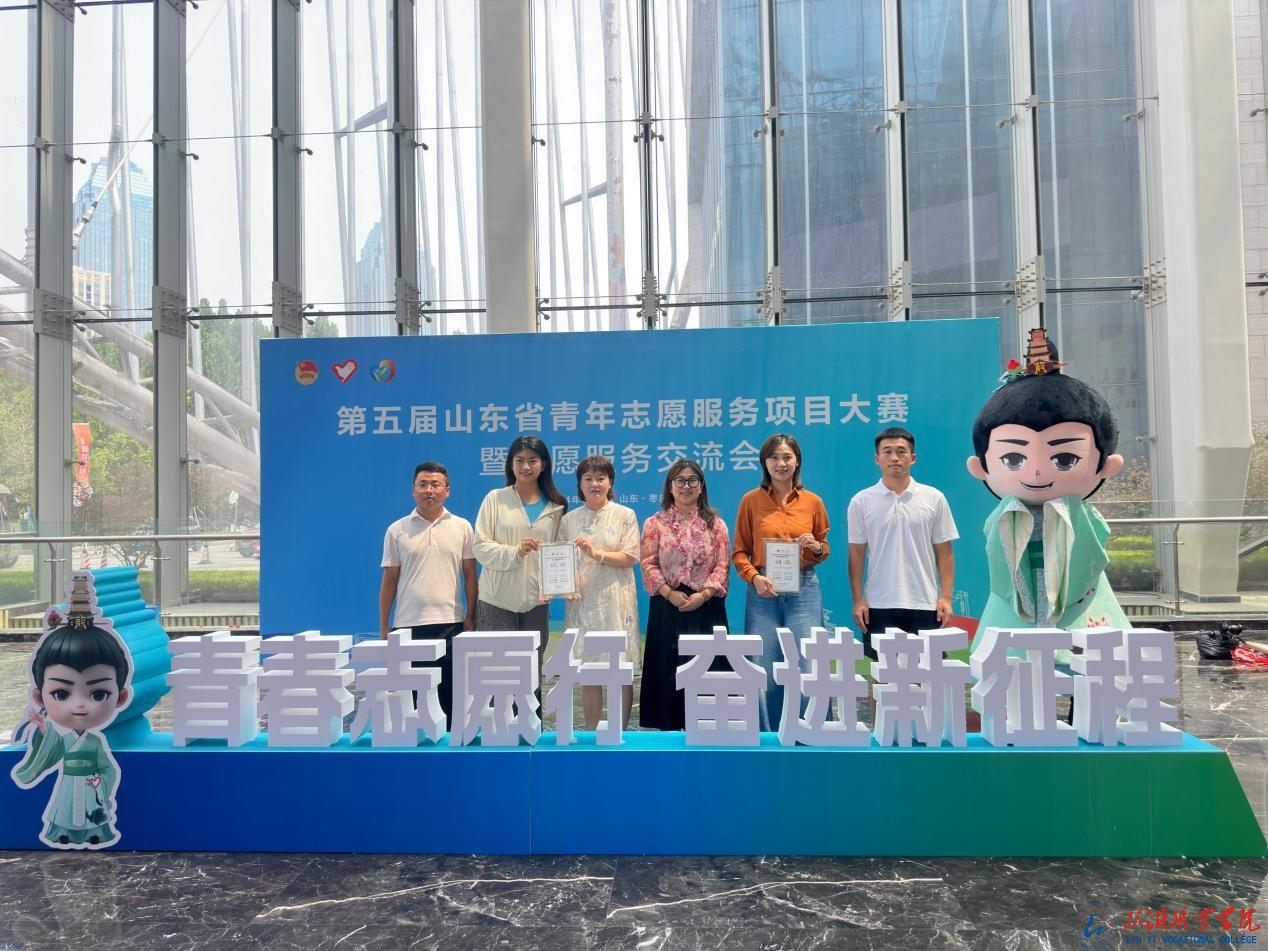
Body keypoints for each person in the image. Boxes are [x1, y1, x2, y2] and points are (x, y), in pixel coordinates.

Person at [966, 328, 1129, 646]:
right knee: (1013, 657)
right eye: (1014, 458)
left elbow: (1092, 552)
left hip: (1074, 591)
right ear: (980, 466)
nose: (1037, 470)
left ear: (1107, 463)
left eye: (1065, 459)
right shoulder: (1005, 514)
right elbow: (997, 555)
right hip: (1019, 593)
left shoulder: (1083, 515)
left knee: (1086, 657)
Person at [12, 573, 132, 849]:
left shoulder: (96, 742)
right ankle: (63, 833)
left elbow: (108, 769)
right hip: (68, 782)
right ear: (39, 696)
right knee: (64, 809)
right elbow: (50, 749)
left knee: (92, 813)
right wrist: (42, 728)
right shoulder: (63, 738)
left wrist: (101, 785)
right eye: (62, 694)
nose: (79, 705)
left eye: (98, 694)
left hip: (91, 784)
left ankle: (93, 833)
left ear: (121, 697)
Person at [732, 433, 830, 732]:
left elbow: (823, 549)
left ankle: (810, 732)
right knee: (763, 664)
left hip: (804, 588)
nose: (781, 463)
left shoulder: (813, 502)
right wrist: (755, 577)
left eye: (787, 457)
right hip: (763, 591)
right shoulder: (751, 501)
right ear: (764, 462)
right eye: (774, 457)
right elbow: (739, 552)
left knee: (808, 662)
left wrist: (814, 547)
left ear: (797, 461)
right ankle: (767, 735)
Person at [378, 461, 478, 720]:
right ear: (413, 490)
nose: (429, 490)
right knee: (410, 703)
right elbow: (389, 580)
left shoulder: (462, 527)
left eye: (435, 484)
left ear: (448, 490)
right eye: (422, 484)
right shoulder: (397, 530)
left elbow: (470, 574)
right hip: (407, 626)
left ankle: (451, 746)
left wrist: (471, 616)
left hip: (451, 624)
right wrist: (384, 626)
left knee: (450, 700)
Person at [848, 427, 958, 660]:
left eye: (901, 451)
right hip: (879, 603)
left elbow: (945, 553)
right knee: (883, 675)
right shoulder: (861, 501)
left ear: (913, 457)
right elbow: (856, 554)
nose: (894, 457)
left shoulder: (934, 498)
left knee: (928, 672)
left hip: (925, 602)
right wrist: (858, 600)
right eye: (887, 451)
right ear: (877, 458)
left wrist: (946, 597)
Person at [639, 459, 731, 731]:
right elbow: (648, 563)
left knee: (708, 672)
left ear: (701, 487)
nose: (686, 486)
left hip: (707, 606)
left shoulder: (716, 525)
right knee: (669, 673)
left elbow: (723, 565)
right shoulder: (655, 523)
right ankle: (669, 733)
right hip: (668, 606)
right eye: (679, 480)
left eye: (692, 480)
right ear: (670, 486)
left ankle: (708, 733)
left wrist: (704, 594)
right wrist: (669, 593)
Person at [473, 435, 568, 687]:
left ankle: (530, 716)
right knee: (497, 676)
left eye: (533, 460)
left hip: (536, 603)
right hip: (497, 601)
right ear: (511, 464)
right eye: (519, 460)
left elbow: (559, 553)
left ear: (543, 464)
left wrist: (561, 585)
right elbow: (480, 547)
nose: (526, 466)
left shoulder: (557, 506)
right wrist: (517, 552)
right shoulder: (495, 499)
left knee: (530, 676)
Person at [555, 455, 641, 731]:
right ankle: (592, 734)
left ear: (610, 482)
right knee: (588, 668)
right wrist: (558, 585)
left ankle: (619, 731)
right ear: (580, 484)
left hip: (616, 600)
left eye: (601, 478)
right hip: (582, 603)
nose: (595, 484)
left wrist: (596, 553)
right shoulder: (568, 520)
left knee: (620, 668)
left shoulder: (625, 515)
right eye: (588, 478)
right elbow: (560, 561)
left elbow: (630, 556)